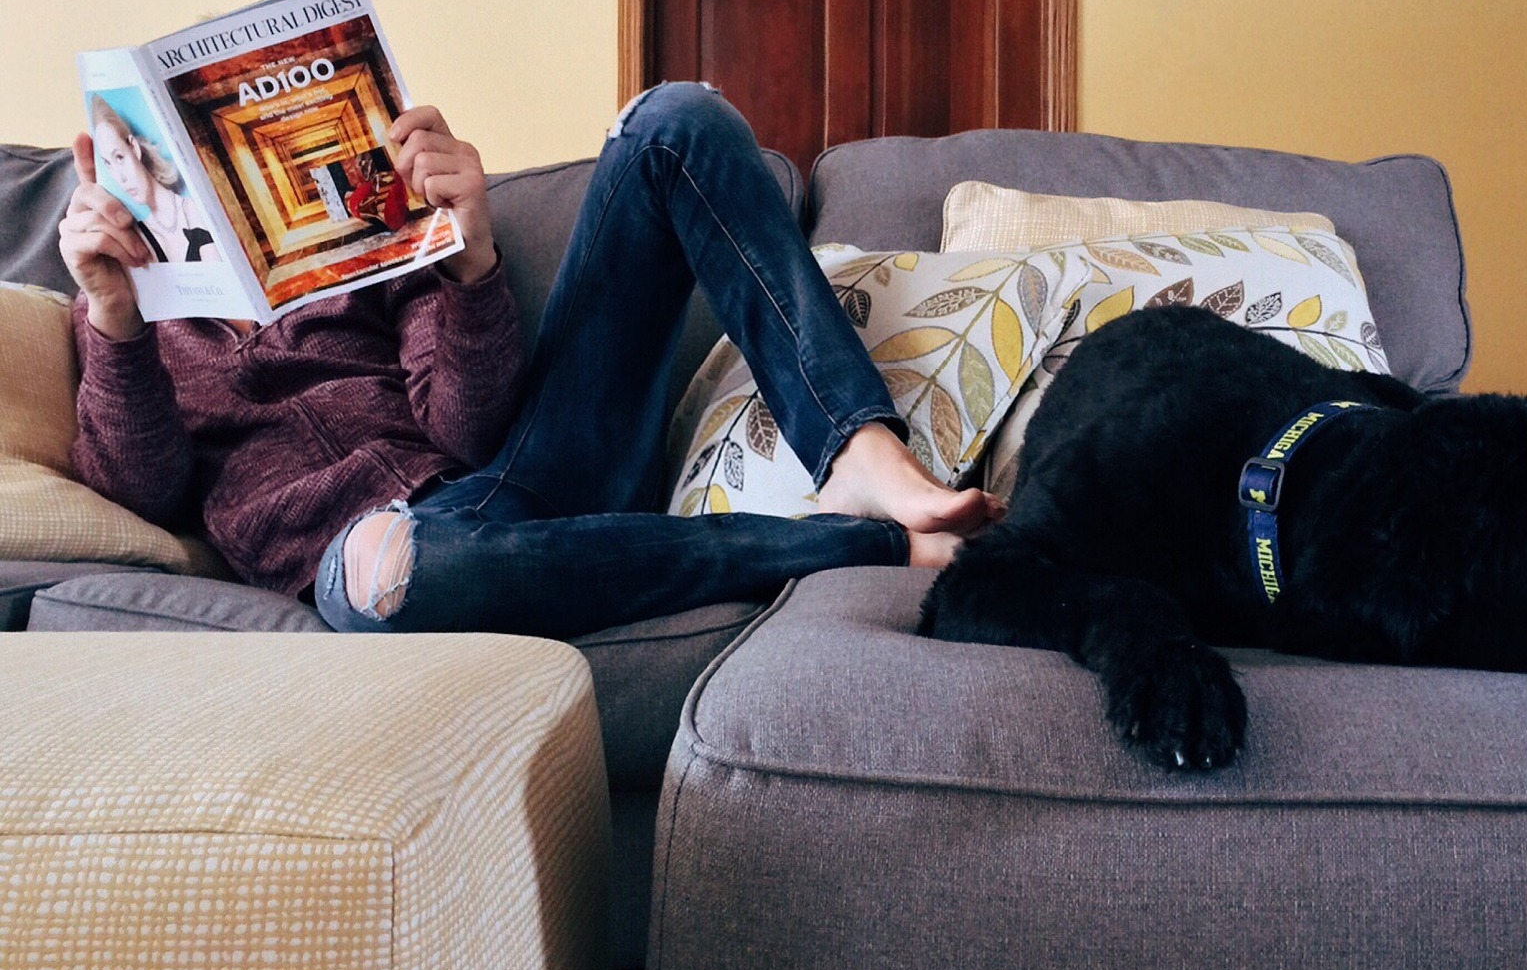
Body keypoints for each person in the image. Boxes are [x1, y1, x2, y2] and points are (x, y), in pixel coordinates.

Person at [60, 82, 1000, 638]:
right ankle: (862, 544)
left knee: (674, 115)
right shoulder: (120, 319)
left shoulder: (355, 252)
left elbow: (462, 425)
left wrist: (467, 254)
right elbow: (139, 487)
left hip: (524, 466)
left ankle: (860, 454)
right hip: (378, 558)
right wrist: (117, 319)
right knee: (397, 563)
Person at [87, 96, 219, 263]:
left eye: (119, 157)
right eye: (108, 164)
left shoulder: (197, 211)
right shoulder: (137, 238)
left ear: (134, 147)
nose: (120, 178)